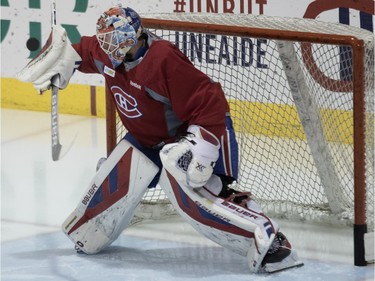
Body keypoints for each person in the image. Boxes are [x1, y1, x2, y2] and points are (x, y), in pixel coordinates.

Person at [17, 4, 303, 273]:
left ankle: (272, 242)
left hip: (193, 136)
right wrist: (60, 58)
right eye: (106, 43)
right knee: (97, 208)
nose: (108, 50)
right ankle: (90, 233)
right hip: (147, 140)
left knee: (197, 196)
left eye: (115, 43)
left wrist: (201, 145)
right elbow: (79, 52)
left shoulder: (163, 58)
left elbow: (210, 101)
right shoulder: (105, 52)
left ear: (134, 38)